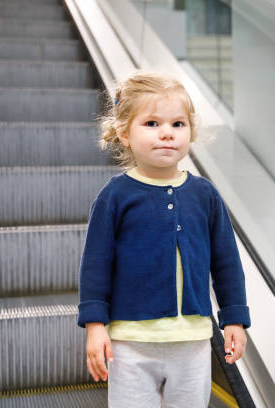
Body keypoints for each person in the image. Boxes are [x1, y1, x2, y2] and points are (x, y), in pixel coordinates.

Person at [77, 71, 250, 407]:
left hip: (193, 342)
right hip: (129, 343)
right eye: (152, 124)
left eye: (178, 124)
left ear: (191, 131)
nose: (167, 134)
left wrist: (235, 318)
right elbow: (96, 264)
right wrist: (95, 325)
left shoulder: (204, 194)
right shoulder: (115, 196)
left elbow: (227, 262)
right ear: (124, 133)